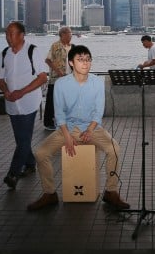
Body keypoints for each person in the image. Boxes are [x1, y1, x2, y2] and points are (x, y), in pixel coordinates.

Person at [28, 45, 130, 211]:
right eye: (80, 59)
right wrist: (67, 137)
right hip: (66, 128)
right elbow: (59, 113)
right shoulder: (61, 84)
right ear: (71, 62)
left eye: (88, 59)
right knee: (41, 153)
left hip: (92, 128)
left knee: (114, 150)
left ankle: (111, 192)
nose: (85, 63)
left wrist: (90, 130)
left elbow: (98, 111)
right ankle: (49, 193)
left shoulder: (97, 82)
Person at [0, 21, 48, 190]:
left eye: (12, 33)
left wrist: (22, 92)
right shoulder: (4, 54)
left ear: (21, 35)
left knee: (24, 140)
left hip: (29, 102)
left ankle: (13, 174)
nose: (8, 37)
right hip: (11, 104)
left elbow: (42, 77)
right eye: (7, 33)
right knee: (21, 140)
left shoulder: (33, 51)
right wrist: (6, 91)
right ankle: (31, 164)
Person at [43, 27, 72, 131]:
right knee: (51, 101)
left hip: (69, 79)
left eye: (71, 34)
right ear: (63, 35)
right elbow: (48, 60)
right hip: (56, 79)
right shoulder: (55, 46)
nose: (71, 36)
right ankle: (49, 123)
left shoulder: (73, 47)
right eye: (69, 34)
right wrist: (58, 71)